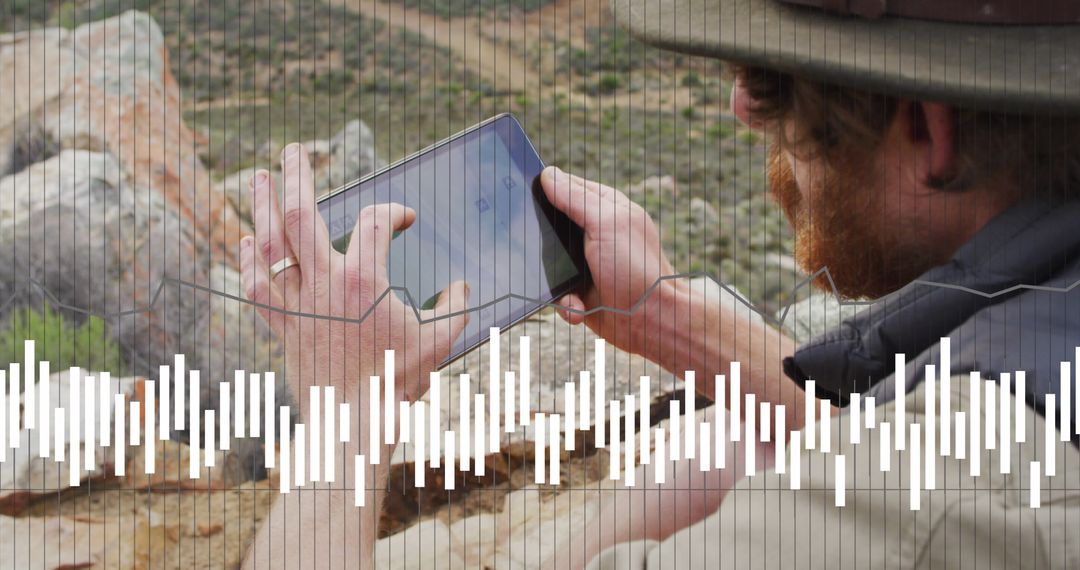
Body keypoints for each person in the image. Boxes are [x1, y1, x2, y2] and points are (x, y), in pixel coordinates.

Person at [240, 0, 1080, 568]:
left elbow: (906, 484)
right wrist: (663, 312)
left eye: (772, 81)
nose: (743, 107)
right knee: (725, 447)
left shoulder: (937, 499)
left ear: (929, 132)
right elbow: (887, 438)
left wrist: (350, 409)